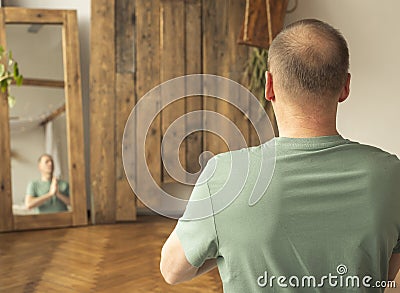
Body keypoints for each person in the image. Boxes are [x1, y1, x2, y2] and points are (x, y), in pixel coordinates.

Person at [160, 19, 400, 292]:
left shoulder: (225, 177)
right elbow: (389, 274)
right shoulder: (392, 175)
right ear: (345, 87)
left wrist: (230, 237)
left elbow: (172, 270)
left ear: (269, 85)